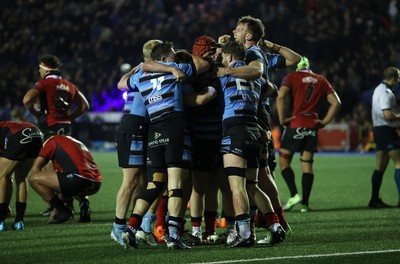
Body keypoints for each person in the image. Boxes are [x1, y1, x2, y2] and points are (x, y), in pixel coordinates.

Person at [121, 41, 210, 250]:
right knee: (176, 185)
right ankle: (173, 236)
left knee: (154, 184)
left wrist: (141, 66)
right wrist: (173, 64)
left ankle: (131, 228)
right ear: (162, 59)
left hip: (155, 131)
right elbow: (203, 65)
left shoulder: (140, 77)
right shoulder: (176, 70)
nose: (175, 58)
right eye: (172, 55)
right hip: (174, 127)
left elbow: (121, 84)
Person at [216, 40, 285, 247]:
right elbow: (274, 90)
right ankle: (275, 225)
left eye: (222, 56)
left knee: (236, 187)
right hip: (255, 130)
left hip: (235, 130)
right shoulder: (254, 76)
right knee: (252, 185)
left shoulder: (223, 73)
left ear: (228, 57)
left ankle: (244, 233)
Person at [23, 54, 91, 219]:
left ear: (45, 68)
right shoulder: (68, 84)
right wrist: (69, 117)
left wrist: (36, 112)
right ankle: (81, 201)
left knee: (49, 167)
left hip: (50, 126)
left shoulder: (45, 83)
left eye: (40, 68)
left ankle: (59, 206)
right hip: (65, 126)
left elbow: (26, 99)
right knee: (67, 163)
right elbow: (84, 105)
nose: (39, 71)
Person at [110, 39, 162, 247]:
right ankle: (118, 228)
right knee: (131, 181)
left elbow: (120, 83)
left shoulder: (141, 71)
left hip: (143, 127)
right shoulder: (148, 72)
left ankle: (140, 227)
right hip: (133, 127)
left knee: (144, 182)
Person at [276, 56, 341, 212]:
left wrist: (282, 119)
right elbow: (336, 102)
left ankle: (294, 195)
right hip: (312, 126)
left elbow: (280, 96)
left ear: (295, 66)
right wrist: (324, 122)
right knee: (307, 165)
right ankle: (305, 204)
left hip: (295, 124)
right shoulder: (321, 79)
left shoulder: (291, 77)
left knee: (284, 162)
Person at [29, 133, 102, 224]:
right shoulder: (74, 141)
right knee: (68, 179)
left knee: (33, 179)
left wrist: (47, 194)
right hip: (96, 183)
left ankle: (61, 210)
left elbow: (35, 168)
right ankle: (84, 205)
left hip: (77, 180)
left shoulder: (52, 141)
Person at [0, 121, 43, 231]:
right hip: (37, 134)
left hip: (18, 135)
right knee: (20, 178)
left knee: (2, 176)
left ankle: (1, 220)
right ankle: (19, 221)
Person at [369, 67, 400, 208]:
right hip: (387, 130)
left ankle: (374, 199)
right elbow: (387, 115)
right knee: (399, 164)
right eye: (398, 77)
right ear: (394, 78)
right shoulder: (387, 93)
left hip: (378, 130)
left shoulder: (377, 89)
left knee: (380, 167)